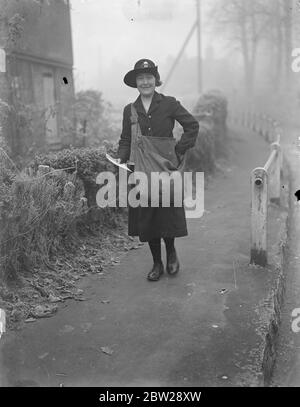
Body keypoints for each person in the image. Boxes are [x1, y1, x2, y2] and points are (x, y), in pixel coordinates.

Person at [116, 58, 199, 282]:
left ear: (156, 80)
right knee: (148, 216)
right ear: (136, 82)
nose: (145, 82)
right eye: (141, 78)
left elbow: (192, 126)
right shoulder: (130, 110)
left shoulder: (169, 103)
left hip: (165, 168)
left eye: (149, 78)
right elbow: (125, 139)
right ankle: (156, 263)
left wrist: (179, 150)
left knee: (167, 213)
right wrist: (120, 158)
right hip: (140, 169)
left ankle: (171, 252)